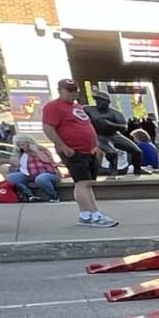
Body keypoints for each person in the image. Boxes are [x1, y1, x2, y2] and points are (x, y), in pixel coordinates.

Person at [36, 80, 119, 226]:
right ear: (60, 90)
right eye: (69, 90)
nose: (73, 93)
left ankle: (86, 214)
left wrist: (96, 146)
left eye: (75, 90)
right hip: (74, 150)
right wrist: (62, 146)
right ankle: (95, 215)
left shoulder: (76, 107)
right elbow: (48, 127)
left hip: (89, 150)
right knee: (83, 183)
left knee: (85, 183)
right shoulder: (53, 107)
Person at [6, 134, 63, 201]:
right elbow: (15, 165)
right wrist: (16, 154)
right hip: (28, 174)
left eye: (23, 144)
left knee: (41, 179)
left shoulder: (41, 149)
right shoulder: (21, 153)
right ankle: (30, 195)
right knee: (11, 177)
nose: (21, 147)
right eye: (19, 145)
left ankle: (53, 196)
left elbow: (47, 160)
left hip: (47, 173)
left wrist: (36, 151)